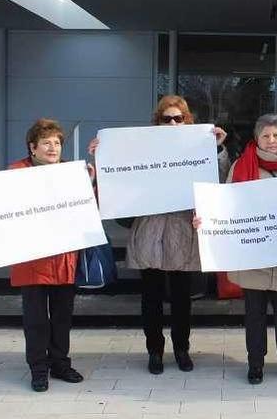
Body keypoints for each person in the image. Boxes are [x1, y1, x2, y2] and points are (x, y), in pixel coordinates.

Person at [88, 95, 228, 375]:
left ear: (187, 121)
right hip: (150, 232)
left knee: (181, 299)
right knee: (150, 299)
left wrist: (219, 149)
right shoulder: (143, 148)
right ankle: (155, 351)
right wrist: (102, 155)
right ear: (158, 122)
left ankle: (181, 349)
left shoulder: (197, 149)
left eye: (179, 118)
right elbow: (120, 177)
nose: (173, 123)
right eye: (167, 119)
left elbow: (219, 180)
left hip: (181, 231)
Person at [0, 118, 85, 392]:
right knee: (36, 320)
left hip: (64, 259)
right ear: (32, 147)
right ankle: (39, 369)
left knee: (63, 317)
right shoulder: (15, 173)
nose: (53, 148)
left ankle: (60, 363)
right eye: (46, 143)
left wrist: (94, 180)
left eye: (57, 143)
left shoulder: (72, 173)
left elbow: (91, 204)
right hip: (32, 261)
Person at [216, 113, 277, 385]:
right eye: (266, 135)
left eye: (276, 135)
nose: (271, 140)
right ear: (257, 138)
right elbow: (226, 203)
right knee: (254, 314)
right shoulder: (241, 166)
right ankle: (255, 364)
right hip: (253, 257)